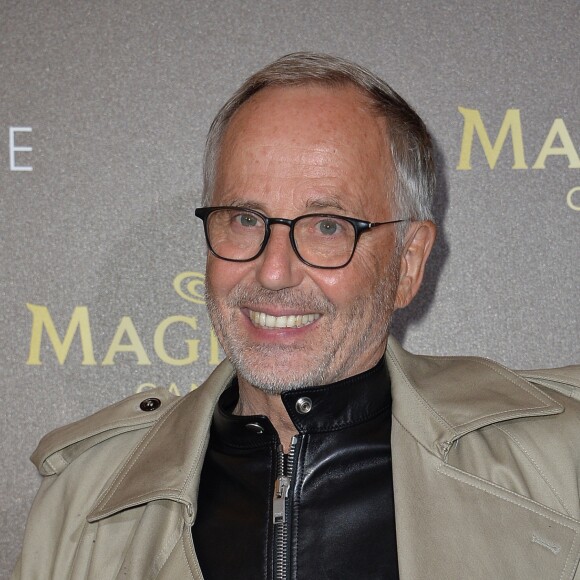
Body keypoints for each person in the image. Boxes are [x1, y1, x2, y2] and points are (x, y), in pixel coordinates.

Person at [12, 53, 580, 580]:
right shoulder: (82, 502)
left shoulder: (563, 466)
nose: (273, 271)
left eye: (328, 226)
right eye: (243, 219)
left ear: (408, 263)